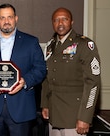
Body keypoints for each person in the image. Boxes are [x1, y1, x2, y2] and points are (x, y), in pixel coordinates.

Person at [0, 3, 46, 136]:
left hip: (21, 107)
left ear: (16, 18)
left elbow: (40, 69)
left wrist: (25, 82)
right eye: (2, 18)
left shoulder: (31, 42)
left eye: (10, 17)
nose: (6, 21)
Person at [41, 7, 101, 136]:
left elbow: (93, 83)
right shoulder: (51, 46)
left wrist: (85, 117)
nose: (60, 23)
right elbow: (47, 78)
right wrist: (45, 105)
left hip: (74, 115)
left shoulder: (84, 45)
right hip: (54, 113)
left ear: (72, 22)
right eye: (56, 20)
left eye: (64, 19)